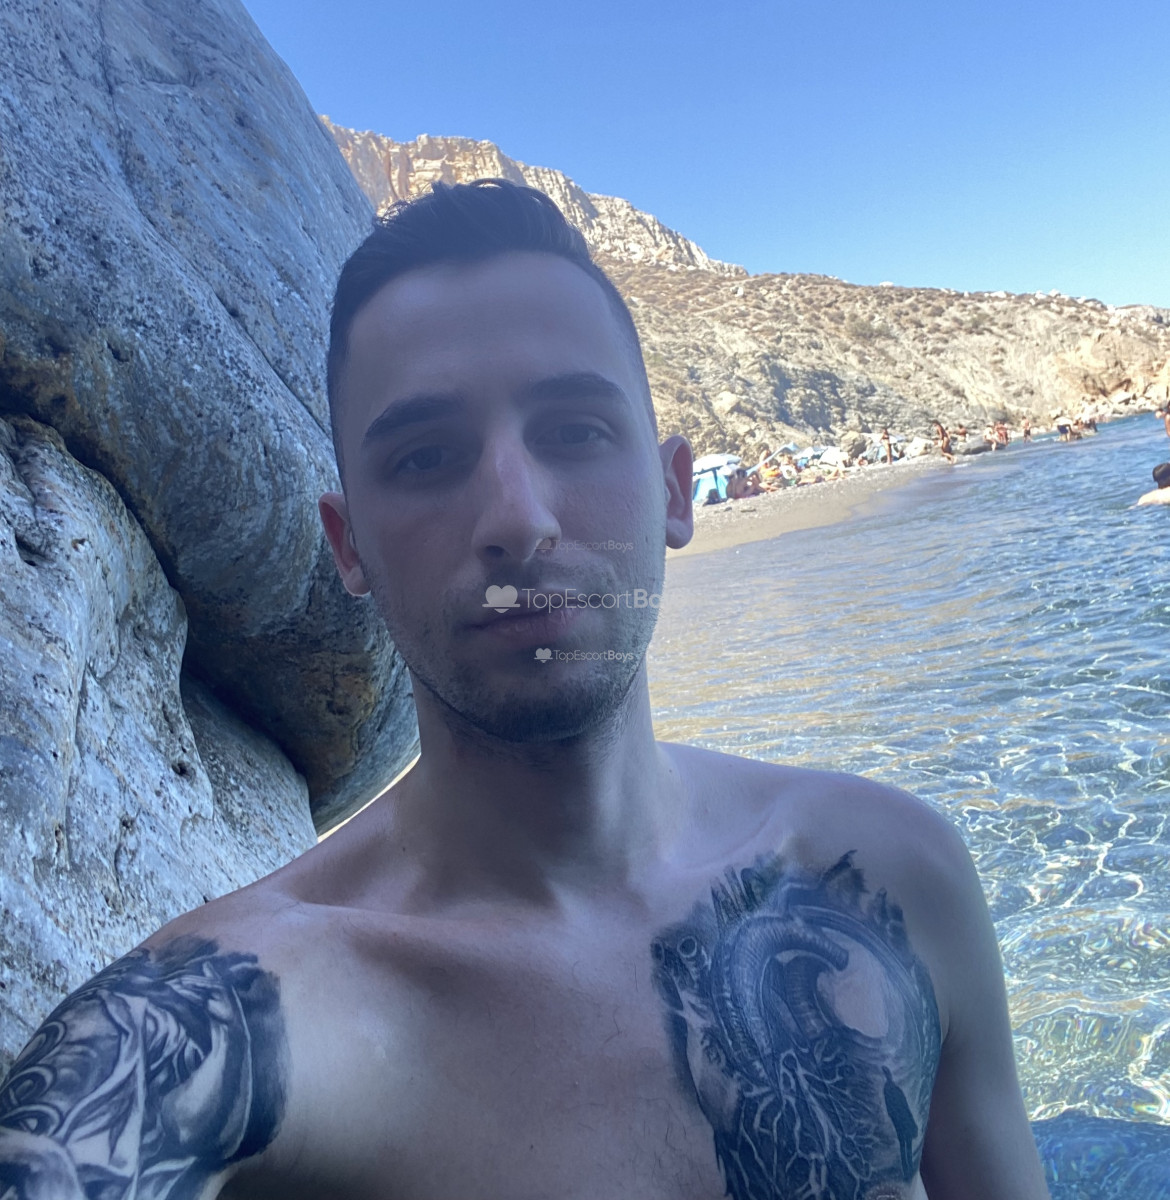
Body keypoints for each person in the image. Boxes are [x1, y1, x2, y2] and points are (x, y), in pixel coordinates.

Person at [0, 180, 1051, 1200]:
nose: (518, 517)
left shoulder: (896, 876)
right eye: (426, 457)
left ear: (673, 492)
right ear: (349, 545)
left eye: (575, 432)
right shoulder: (229, 1023)